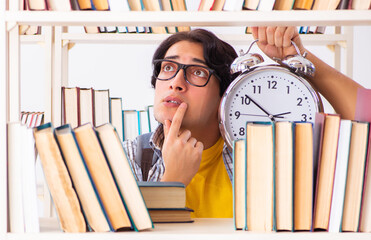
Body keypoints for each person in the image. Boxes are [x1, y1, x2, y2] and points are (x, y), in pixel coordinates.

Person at [123, 26, 364, 218]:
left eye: (197, 71)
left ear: (225, 94)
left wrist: (300, 57)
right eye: (168, 67)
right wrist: (173, 182)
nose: (176, 82)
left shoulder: (264, 154)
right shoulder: (127, 157)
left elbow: (366, 121)